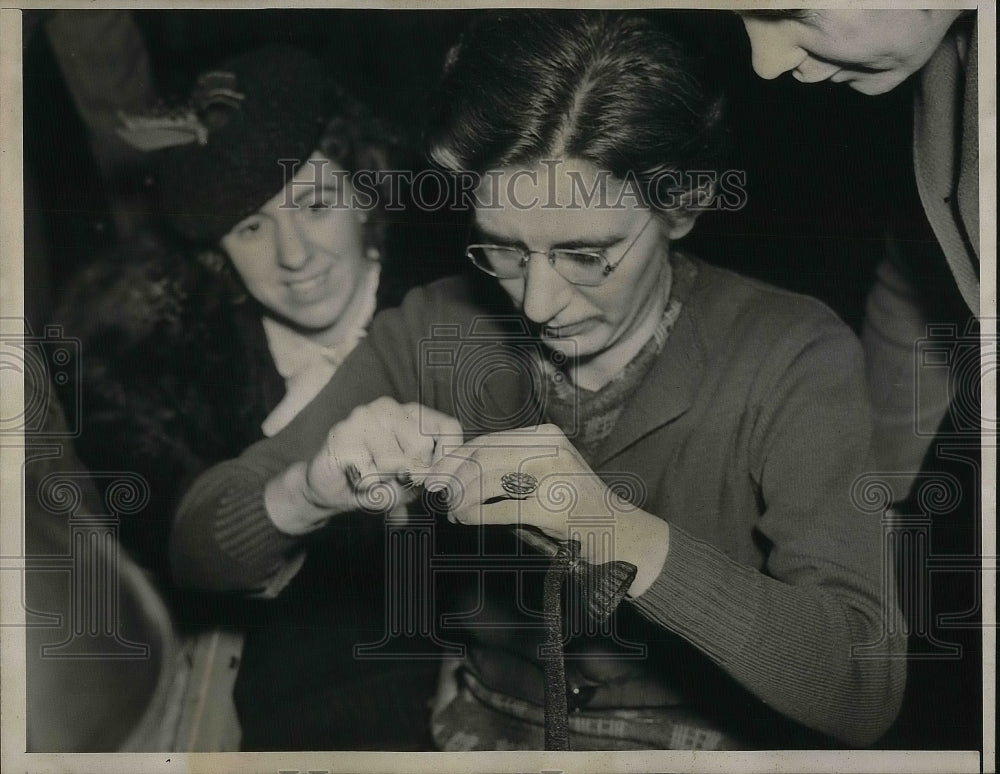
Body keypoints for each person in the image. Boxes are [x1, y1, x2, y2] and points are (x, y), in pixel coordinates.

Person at [172, 12, 906, 750]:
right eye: (504, 249)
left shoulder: (788, 353)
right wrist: (307, 491)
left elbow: (865, 684)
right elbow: (196, 545)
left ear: (681, 203)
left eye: (587, 255)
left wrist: (613, 533)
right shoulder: (439, 326)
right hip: (481, 730)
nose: (537, 302)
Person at [52, 45, 440, 750]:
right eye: (251, 226)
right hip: (318, 699)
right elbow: (184, 550)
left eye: (316, 205)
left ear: (365, 190)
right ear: (215, 249)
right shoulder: (184, 373)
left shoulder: (452, 305)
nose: (294, 258)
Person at [736, 9, 983, 749]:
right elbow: (929, 261)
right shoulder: (946, 48)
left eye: (786, 7)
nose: (765, 62)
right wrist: (873, 499)